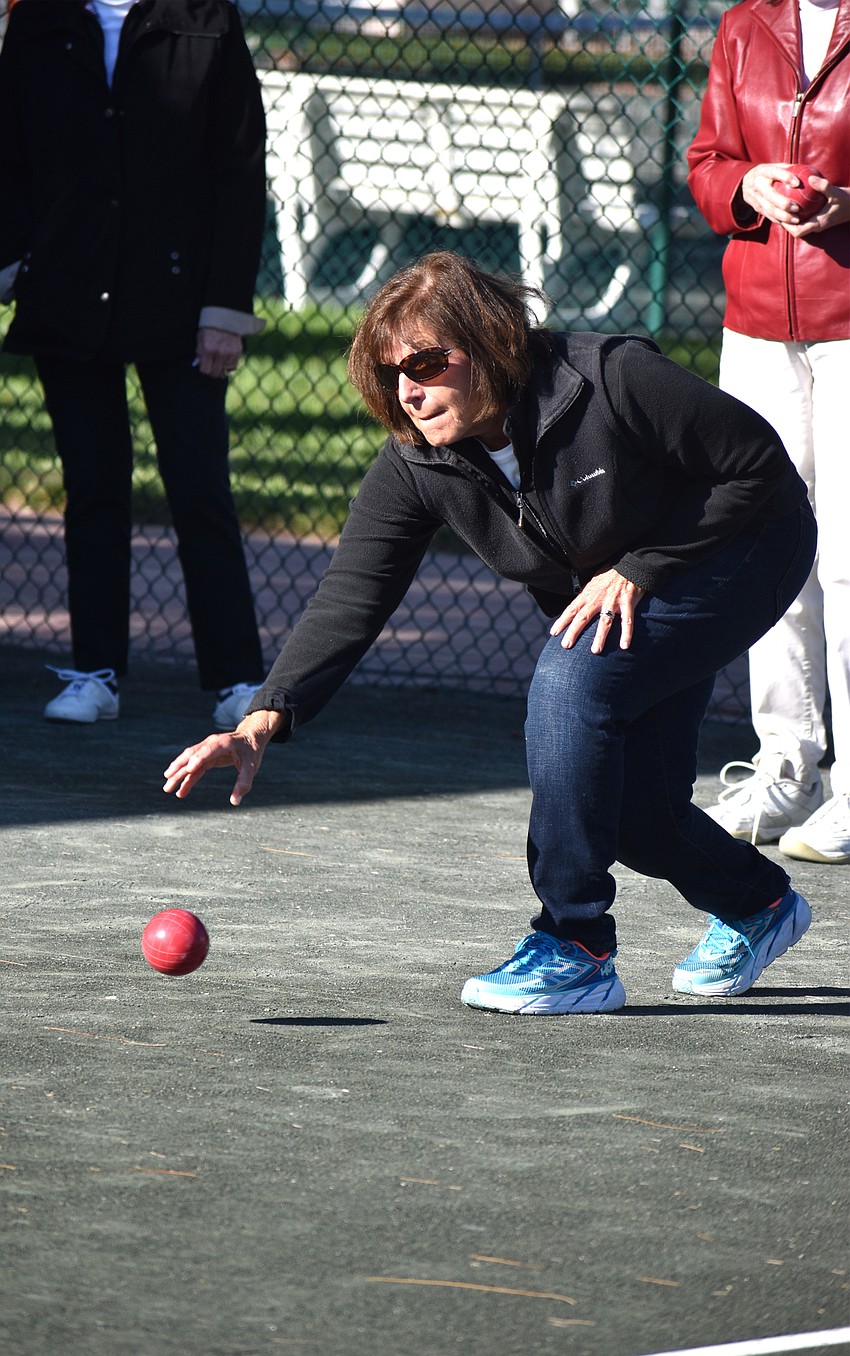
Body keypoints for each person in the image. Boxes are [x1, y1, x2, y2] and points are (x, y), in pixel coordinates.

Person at [163, 251, 816, 1015]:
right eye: (391, 373)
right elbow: (353, 593)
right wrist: (264, 716)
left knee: (571, 682)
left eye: (426, 363)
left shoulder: (610, 378)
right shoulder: (418, 459)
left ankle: (575, 946)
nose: (408, 390)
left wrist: (643, 567)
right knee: (633, 811)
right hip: (624, 588)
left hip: (744, 543)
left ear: (489, 343)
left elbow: (756, 465)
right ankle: (756, 903)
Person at [0, 0, 268, 729]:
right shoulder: (38, 19)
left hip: (179, 301)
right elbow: (9, 156)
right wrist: (16, 260)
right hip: (68, 294)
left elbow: (240, 167)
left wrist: (223, 310)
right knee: (92, 488)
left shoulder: (207, 16)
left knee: (199, 489)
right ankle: (95, 673)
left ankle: (238, 680)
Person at [687, 0, 850, 863]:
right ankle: (789, 766)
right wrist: (746, 184)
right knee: (770, 547)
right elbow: (708, 162)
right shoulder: (744, 24)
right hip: (754, 327)